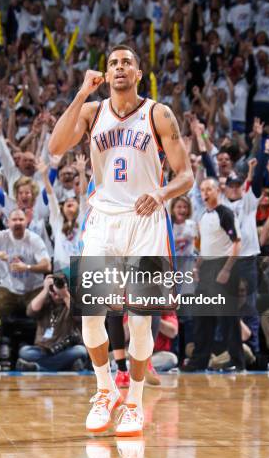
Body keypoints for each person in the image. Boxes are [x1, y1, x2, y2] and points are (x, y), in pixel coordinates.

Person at [49, 45, 193, 436]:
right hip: (103, 220)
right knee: (91, 314)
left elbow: (186, 176)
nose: (118, 67)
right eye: (112, 62)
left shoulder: (158, 113)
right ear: (105, 73)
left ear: (139, 73)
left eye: (126, 62)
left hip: (146, 221)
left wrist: (162, 195)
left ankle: (134, 403)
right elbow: (55, 148)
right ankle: (104, 389)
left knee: (142, 323)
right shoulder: (92, 111)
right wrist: (81, 93)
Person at [183, 178, 244, 372]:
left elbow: (237, 243)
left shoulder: (225, 213)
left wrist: (226, 269)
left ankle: (236, 360)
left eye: (209, 189)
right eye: (202, 189)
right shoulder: (202, 216)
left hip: (223, 266)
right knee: (202, 317)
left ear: (218, 190)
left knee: (227, 319)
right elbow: (203, 247)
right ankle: (199, 360)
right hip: (206, 268)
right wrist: (197, 267)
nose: (205, 192)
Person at [0, 209, 51, 322]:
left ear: (26, 222)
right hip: (8, 289)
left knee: (45, 313)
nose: (17, 222)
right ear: (8, 223)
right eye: (14, 219)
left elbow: (47, 266)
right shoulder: (3, 236)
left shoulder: (35, 239)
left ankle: (43, 339)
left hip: (34, 289)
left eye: (21, 219)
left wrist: (27, 267)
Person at [16, 273, 87, 372]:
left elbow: (80, 317)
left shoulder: (71, 301)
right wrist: (45, 289)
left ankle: (38, 367)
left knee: (81, 351)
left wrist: (65, 294)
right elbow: (30, 311)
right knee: (24, 352)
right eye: (53, 288)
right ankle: (66, 366)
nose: (55, 292)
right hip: (43, 349)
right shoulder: (44, 302)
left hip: (66, 349)